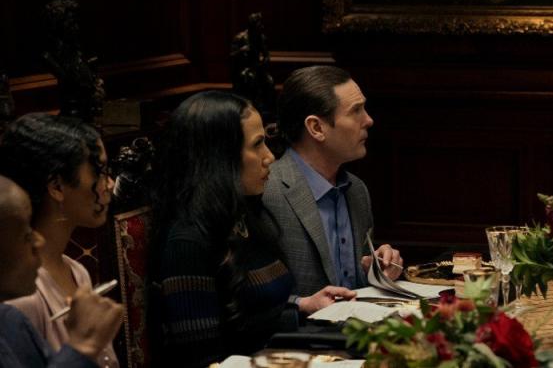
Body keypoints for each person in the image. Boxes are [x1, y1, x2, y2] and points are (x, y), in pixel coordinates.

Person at [148, 91, 354, 368]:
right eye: (257, 145)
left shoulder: (243, 215)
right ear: (219, 157)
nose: (269, 157)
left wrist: (302, 306)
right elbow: (205, 361)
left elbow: (252, 321)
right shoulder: (188, 242)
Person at [264, 66, 402, 299]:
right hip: (301, 333)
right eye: (356, 111)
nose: (369, 120)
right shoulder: (269, 192)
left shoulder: (357, 190)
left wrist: (375, 268)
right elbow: (252, 303)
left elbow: (354, 286)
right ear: (316, 128)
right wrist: (302, 304)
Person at [0, 113, 120, 367]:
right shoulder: (23, 294)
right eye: (99, 172)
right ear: (57, 186)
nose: (109, 184)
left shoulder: (77, 271)